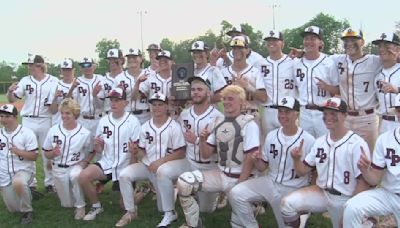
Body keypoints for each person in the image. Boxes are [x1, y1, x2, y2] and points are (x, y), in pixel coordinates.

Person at [176, 85, 260, 228]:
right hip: (221, 175)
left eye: (231, 99)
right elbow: (206, 154)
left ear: (242, 103)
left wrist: (240, 185)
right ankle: (194, 224)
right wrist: (202, 140)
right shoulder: (218, 122)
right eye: (225, 99)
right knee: (184, 182)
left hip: (242, 179)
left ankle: (251, 206)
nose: (226, 102)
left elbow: (250, 157)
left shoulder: (249, 124)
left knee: (241, 225)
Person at [280, 97, 370, 228]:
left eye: (333, 113)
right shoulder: (320, 142)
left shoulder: (356, 144)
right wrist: (296, 159)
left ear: (345, 115)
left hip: (347, 198)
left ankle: (367, 220)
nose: (328, 117)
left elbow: (364, 182)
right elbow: (302, 171)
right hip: (322, 194)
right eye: (325, 113)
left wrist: (351, 209)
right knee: (286, 204)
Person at [229, 96, 315, 228]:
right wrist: (256, 159)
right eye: (280, 111)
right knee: (236, 193)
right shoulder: (272, 136)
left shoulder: (308, 140)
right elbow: (262, 167)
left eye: (287, 112)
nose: (282, 115)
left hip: (293, 189)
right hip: (270, 183)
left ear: (297, 113)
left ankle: (302, 216)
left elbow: (314, 172)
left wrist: (308, 198)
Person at [116, 93, 186, 227]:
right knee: (124, 175)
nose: (157, 107)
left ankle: (172, 198)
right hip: (148, 166)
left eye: (160, 104)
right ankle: (130, 211)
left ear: (167, 107)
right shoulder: (145, 126)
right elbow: (142, 150)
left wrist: (160, 162)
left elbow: (181, 152)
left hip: (165, 168)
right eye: (154, 104)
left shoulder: (174, 126)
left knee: (161, 207)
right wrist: (138, 153)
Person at [78, 87, 141, 221]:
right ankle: (96, 206)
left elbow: (136, 152)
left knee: (124, 205)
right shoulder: (104, 120)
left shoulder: (133, 121)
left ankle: (141, 192)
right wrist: (98, 146)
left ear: (125, 102)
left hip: (125, 165)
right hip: (107, 163)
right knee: (83, 176)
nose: (113, 103)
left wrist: (131, 172)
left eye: (117, 100)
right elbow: (100, 150)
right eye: (112, 100)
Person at [343, 92, 400, 227]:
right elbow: (374, 179)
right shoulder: (385, 139)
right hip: (390, 195)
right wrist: (365, 170)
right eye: (399, 109)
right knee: (352, 207)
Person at [7, 54, 58, 193]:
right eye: (28, 65)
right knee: (29, 152)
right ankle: (31, 184)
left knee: (47, 152)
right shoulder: (25, 80)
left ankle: (50, 183)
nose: (29, 68)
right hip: (28, 120)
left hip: (46, 119)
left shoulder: (53, 81)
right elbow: (12, 100)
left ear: (40, 66)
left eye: (31, 65)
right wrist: (10, 91)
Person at [329, 28, 382, 150]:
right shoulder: (338, 59)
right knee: (346, 154)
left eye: (353, 39)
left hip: (367, 118)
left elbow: (393, 60)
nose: (349, 43)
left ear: (362, 42)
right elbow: (319, 58)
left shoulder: (374, 61)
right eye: (346, 40)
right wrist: (302, 53)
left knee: (368, 157)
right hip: (346, 117)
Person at [43, 98, 94, 220]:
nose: (64, 116)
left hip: (75, 165)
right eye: (62, 113)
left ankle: (81, 206)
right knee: (67, 204)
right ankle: (76, 195)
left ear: (75, 114)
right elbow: (46, 153)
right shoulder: (54, 130)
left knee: (75, 176)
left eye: (68, 113)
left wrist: (85, 162)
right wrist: (53, 154)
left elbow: (91, 151)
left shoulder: (85, 133)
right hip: (58, 167)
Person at [292, 26, 339, 138]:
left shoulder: (329, 63)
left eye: (313, 38)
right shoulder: (296, 64)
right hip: (304, 113)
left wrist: (327, 87)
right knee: (306, 148)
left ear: (320, 43)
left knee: (326, 147)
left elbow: (338, 90)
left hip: (323, 112)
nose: (308, 41)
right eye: (306, 38)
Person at [0, 104, 38, 224]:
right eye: (1, 116)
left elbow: (34, 156)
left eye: (7, 116)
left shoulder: (27, 132)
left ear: (15, 117)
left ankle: (27, 212)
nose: (3, 119)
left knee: (18, 182)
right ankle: (28, 193)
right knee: (13, 209)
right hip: (4, 172)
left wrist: (18, 152)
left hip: (24, 170)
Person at [260, 30, 297, 137]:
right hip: (268, 110)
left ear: (282, 43)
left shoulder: (293, 62)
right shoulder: (261, 63)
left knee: (290, 143)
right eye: (269, 40)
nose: (271, 43)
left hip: (288, 110)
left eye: (275, 40)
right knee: (270, 147)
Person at [66, 57, 105, 158]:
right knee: (82, 151)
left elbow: (101, 104)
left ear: (94, 66)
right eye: (83, 65)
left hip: (98, 119)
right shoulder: (77, 81)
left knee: (100, 151)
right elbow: (67, 101)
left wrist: (95, 95)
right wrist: (71, 89)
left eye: (88, 65)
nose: (86, 67)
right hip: (83, 120)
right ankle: (81, 173)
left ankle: (100, 173)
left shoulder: (101, 79)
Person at [220, 36, 267, 116]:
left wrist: (247, 86)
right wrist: (231, 89)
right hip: (230, 116)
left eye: (240, 48)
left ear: (247, 50)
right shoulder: (223, 72)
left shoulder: (255, 72)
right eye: (234, 48)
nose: (237, 51)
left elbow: (263, 98)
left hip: (251, 114)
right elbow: (218, 96)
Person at [373, 32, 400, 133]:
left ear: (397, 49)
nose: (382, 49)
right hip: (384, 123)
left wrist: (397, 90)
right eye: (380, 46)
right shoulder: (377, 76)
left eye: (386, 46)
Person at [115, 48, 151, 124]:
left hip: (146, 115)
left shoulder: (149, 75)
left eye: (134, 57)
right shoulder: (119, 78)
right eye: (129, 57)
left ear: (141, 59)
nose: (131, 59)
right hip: (127, 115)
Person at [50, 58, 75, 126]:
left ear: (73, 70)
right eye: (64, 70)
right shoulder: (55, 85)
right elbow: (53, 111)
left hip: (76, 123)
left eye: (68, 70)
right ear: (61, 70)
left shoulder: (79, 84)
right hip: (58, 123)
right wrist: (54, 99)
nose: (66, 72)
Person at [103, 48, 125, 114]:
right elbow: (98, 105)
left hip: (125, 114)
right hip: (108, 114)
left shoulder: (128, 77)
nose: (112, 62)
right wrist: (95, 95)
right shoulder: (102, 80)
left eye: (115, 59)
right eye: (110, 60)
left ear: (121, 60)